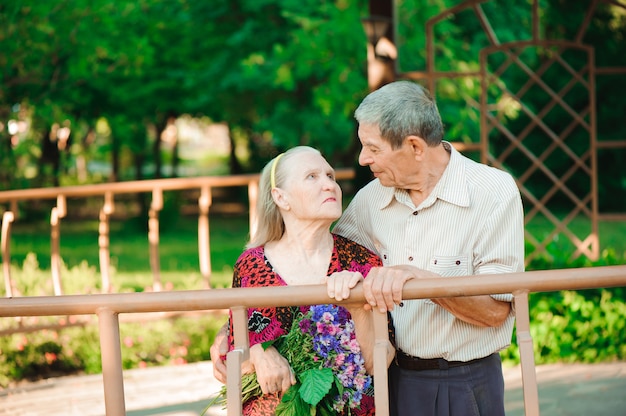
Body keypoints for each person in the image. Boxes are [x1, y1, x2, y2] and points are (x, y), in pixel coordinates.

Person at [331, 80, 525, 416]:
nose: (363, 159)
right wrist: (237, 332)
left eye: (374, 149)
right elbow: (318, 261)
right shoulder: (369, 200)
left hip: (466, 382)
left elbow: (496, 311)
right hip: (391, 380)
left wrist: (419, 280)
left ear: (415, 147)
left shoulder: (493, 191)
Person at [214, 146, 394, 415]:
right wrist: (259, 352)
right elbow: (237, 344)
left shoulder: (363, 263)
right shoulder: (251, 266)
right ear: (281, 197)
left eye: (330, 176)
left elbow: (379, 363)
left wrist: (358, 307)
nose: (329, 185)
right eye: (312, 177)